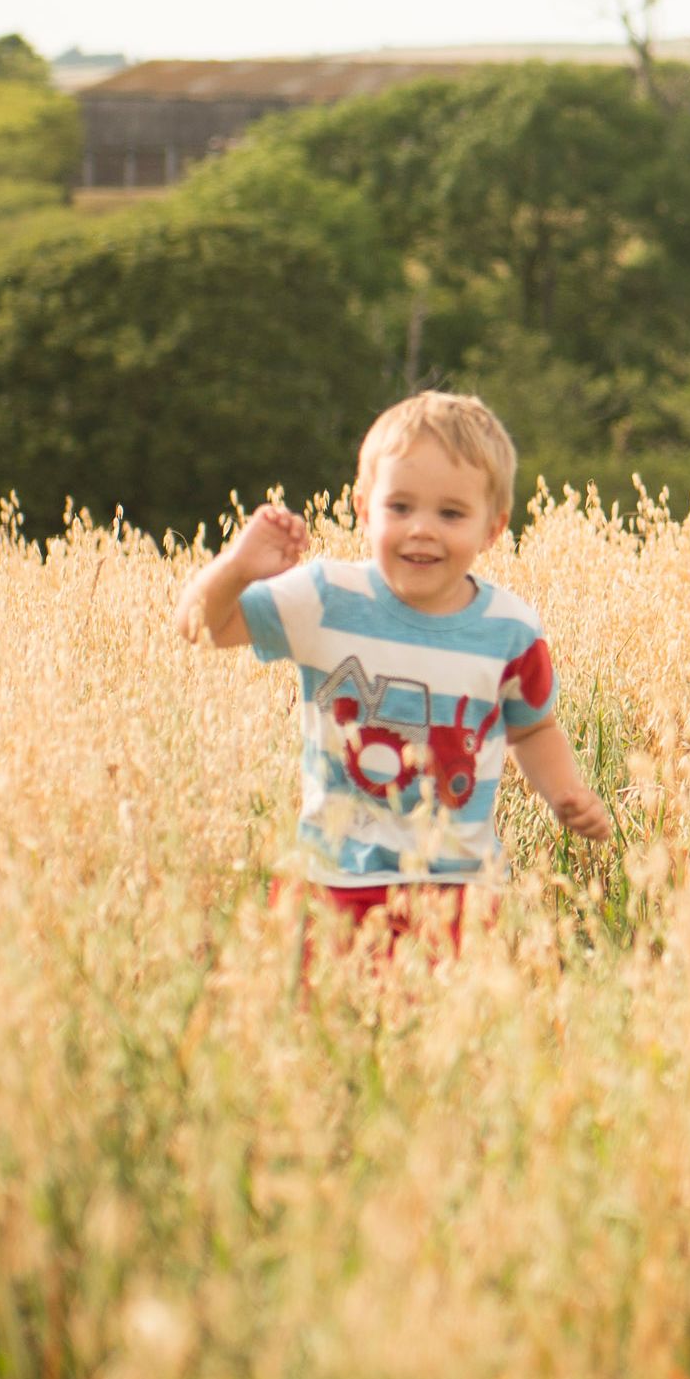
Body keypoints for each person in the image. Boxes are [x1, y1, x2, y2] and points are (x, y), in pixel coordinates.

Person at [176, 390, 614, 960]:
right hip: (330, 883)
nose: (421, 530)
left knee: (440, 1041)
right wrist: (236, 568)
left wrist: (565, 792)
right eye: (400, 508)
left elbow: (531, 728)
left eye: (451, 513)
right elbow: (198, 626)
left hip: (459, 892)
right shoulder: (326, 597)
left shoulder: (511, 631)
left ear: (493, 527)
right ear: (363, 509)